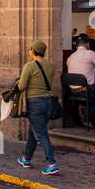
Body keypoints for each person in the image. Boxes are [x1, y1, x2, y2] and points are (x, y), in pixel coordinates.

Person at [14, 40, 59, 176]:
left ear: (33, 51)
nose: (29, 51)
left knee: (41, 134)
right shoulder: (51, 65)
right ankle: (26, 158)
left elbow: (22, 86)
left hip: (35, 103)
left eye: (30, 49)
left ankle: (51, 163)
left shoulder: (29, 66)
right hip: (48, 102)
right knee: (33, 132)